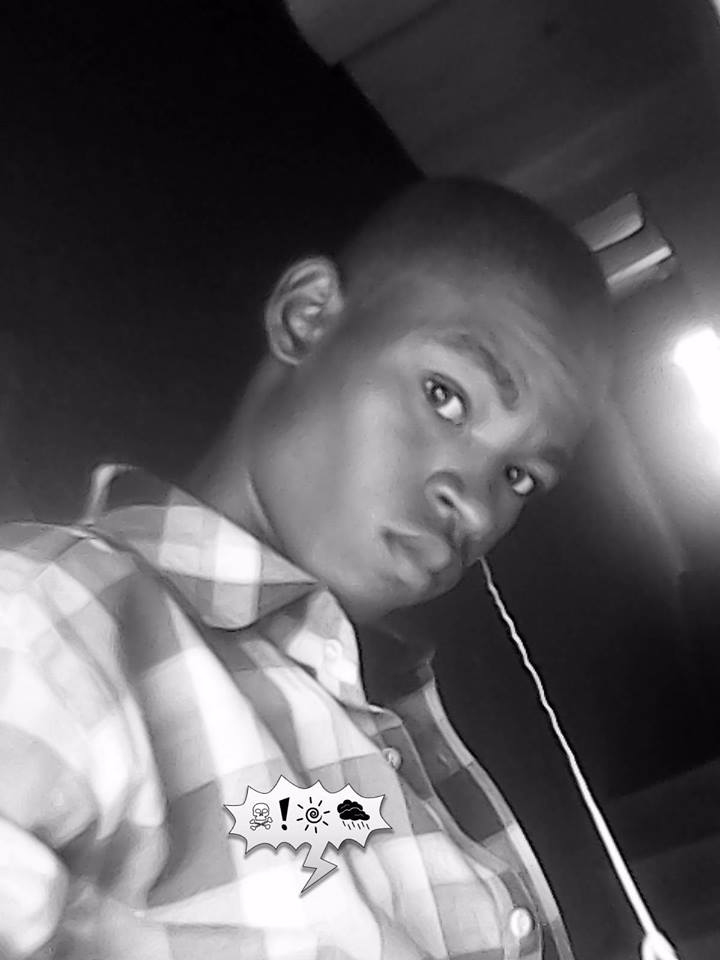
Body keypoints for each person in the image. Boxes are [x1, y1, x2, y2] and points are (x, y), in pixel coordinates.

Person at [0, 178, 611, 959]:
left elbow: (277, 831)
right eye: (446, 397)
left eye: (520, 476)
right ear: (308, 317)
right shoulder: (52, 620)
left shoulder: (384, 722)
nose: (477, 505)